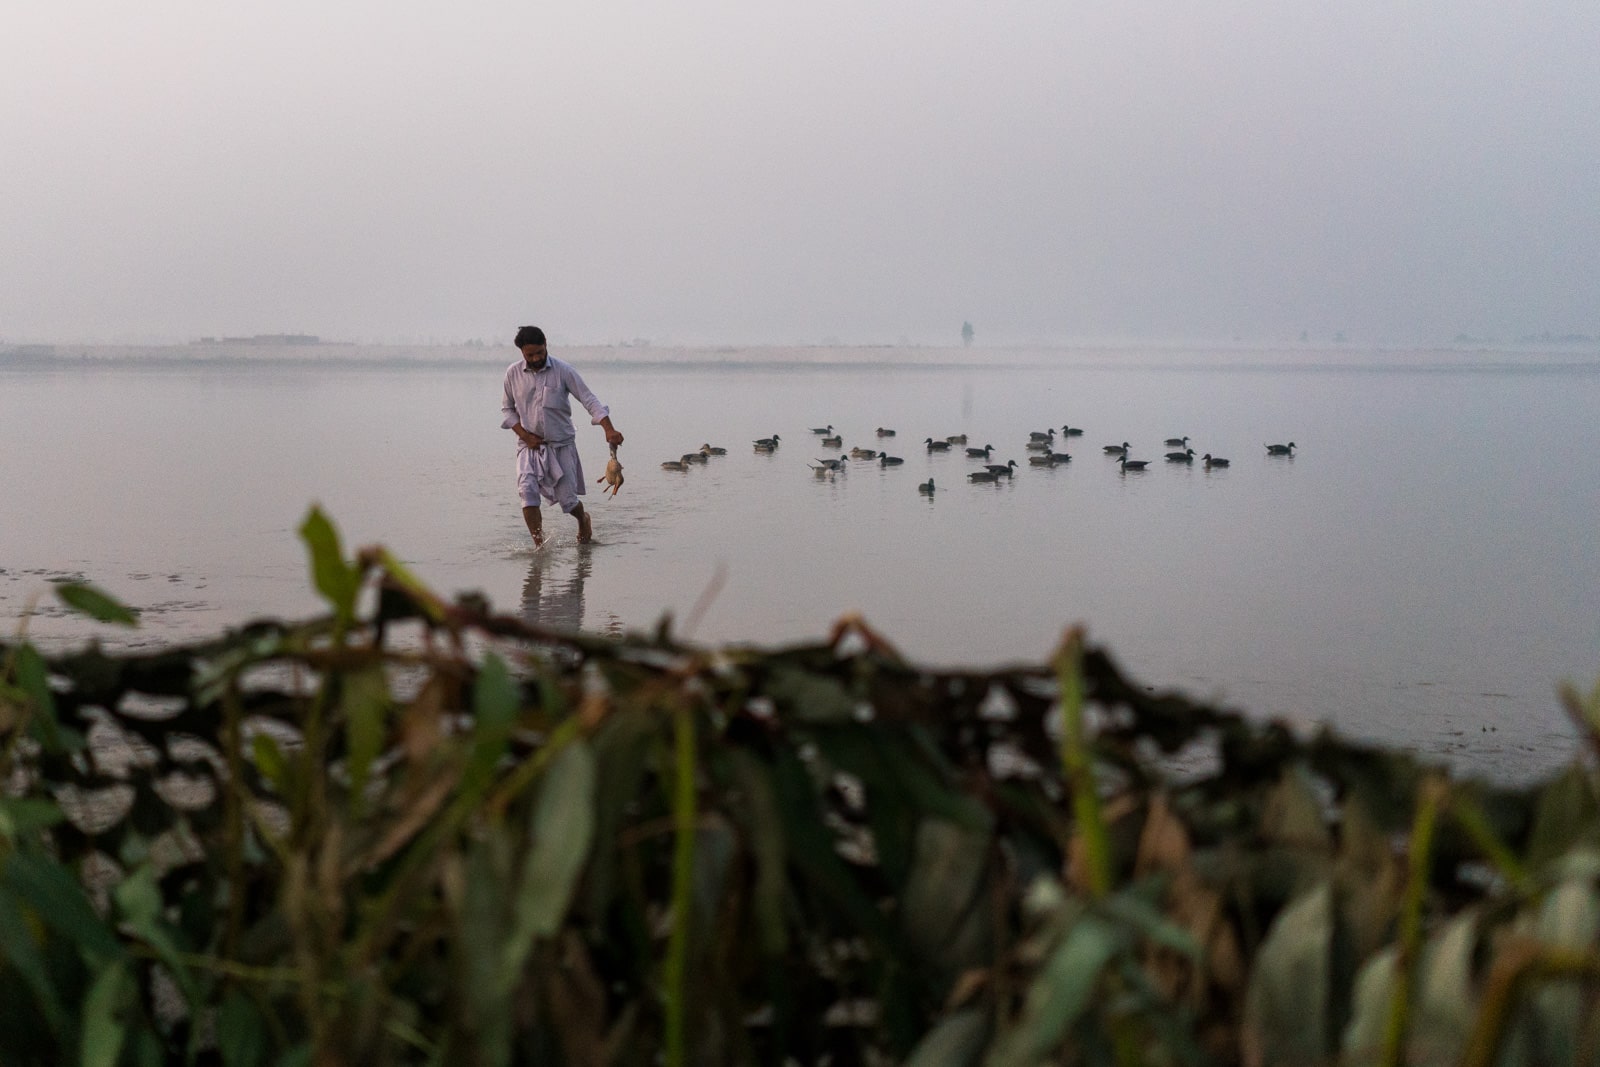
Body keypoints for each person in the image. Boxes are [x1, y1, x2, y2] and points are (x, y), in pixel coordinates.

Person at [500, 326, 624, 545]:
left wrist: (609, 428)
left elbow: (589, 400)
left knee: (568, 502)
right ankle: (539, 545)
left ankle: (583, 519)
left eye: (540, 352)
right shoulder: (513, 373)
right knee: (527, 493)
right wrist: (525, 436)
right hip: (528, 446)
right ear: (521, 352)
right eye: (531, 355)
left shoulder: (563, 371)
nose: (537, 358)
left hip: (561, 445)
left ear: (546, 344)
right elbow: (507, 411)